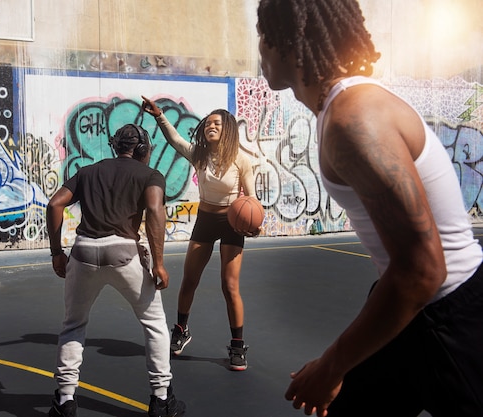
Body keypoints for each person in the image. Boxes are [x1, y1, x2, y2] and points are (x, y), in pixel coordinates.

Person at [256, 0, 483, 416]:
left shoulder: (354, 121)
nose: (260, 45)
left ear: (289, 40)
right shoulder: (339, 110)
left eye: (264, 32)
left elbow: (422, 271)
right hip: (411, 306)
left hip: (450, 316)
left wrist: (330, 367)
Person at [45, 123, 186, 417]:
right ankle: (161, 399)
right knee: (155, 324)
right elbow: (155, 211)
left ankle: (65, 400)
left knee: (73, 325)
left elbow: (55, 203)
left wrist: (57, 253)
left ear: (115, 147)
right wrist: (158, 263)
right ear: (144, 149)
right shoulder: (150, 174)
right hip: (124, 253)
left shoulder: (88, 171)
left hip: (83, 252)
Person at [141, 96, 258, 371]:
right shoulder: (199, 154)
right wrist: (159, 115)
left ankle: (238, 345)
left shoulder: (243, 160)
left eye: (217, 123)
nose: (210, 126)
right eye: (208, 123)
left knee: (229, 286)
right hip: (205, 219)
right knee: (189, 279)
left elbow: (252, 199)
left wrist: (254, 223)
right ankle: (181, 329)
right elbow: (175, 140)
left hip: (231, 222)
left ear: (227, 129)